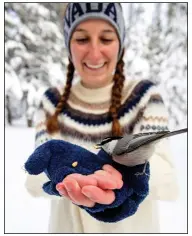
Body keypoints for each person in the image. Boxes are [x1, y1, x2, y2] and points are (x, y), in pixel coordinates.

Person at [25, 3, 178, 233]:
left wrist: (128, 173)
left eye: (106, 39)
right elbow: (34, 181)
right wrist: (60, 176)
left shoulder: (144, 96)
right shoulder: (51, 102)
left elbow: (167, 180)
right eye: (82, 39)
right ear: (68, 45)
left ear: (121, 44)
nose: (95, 53)